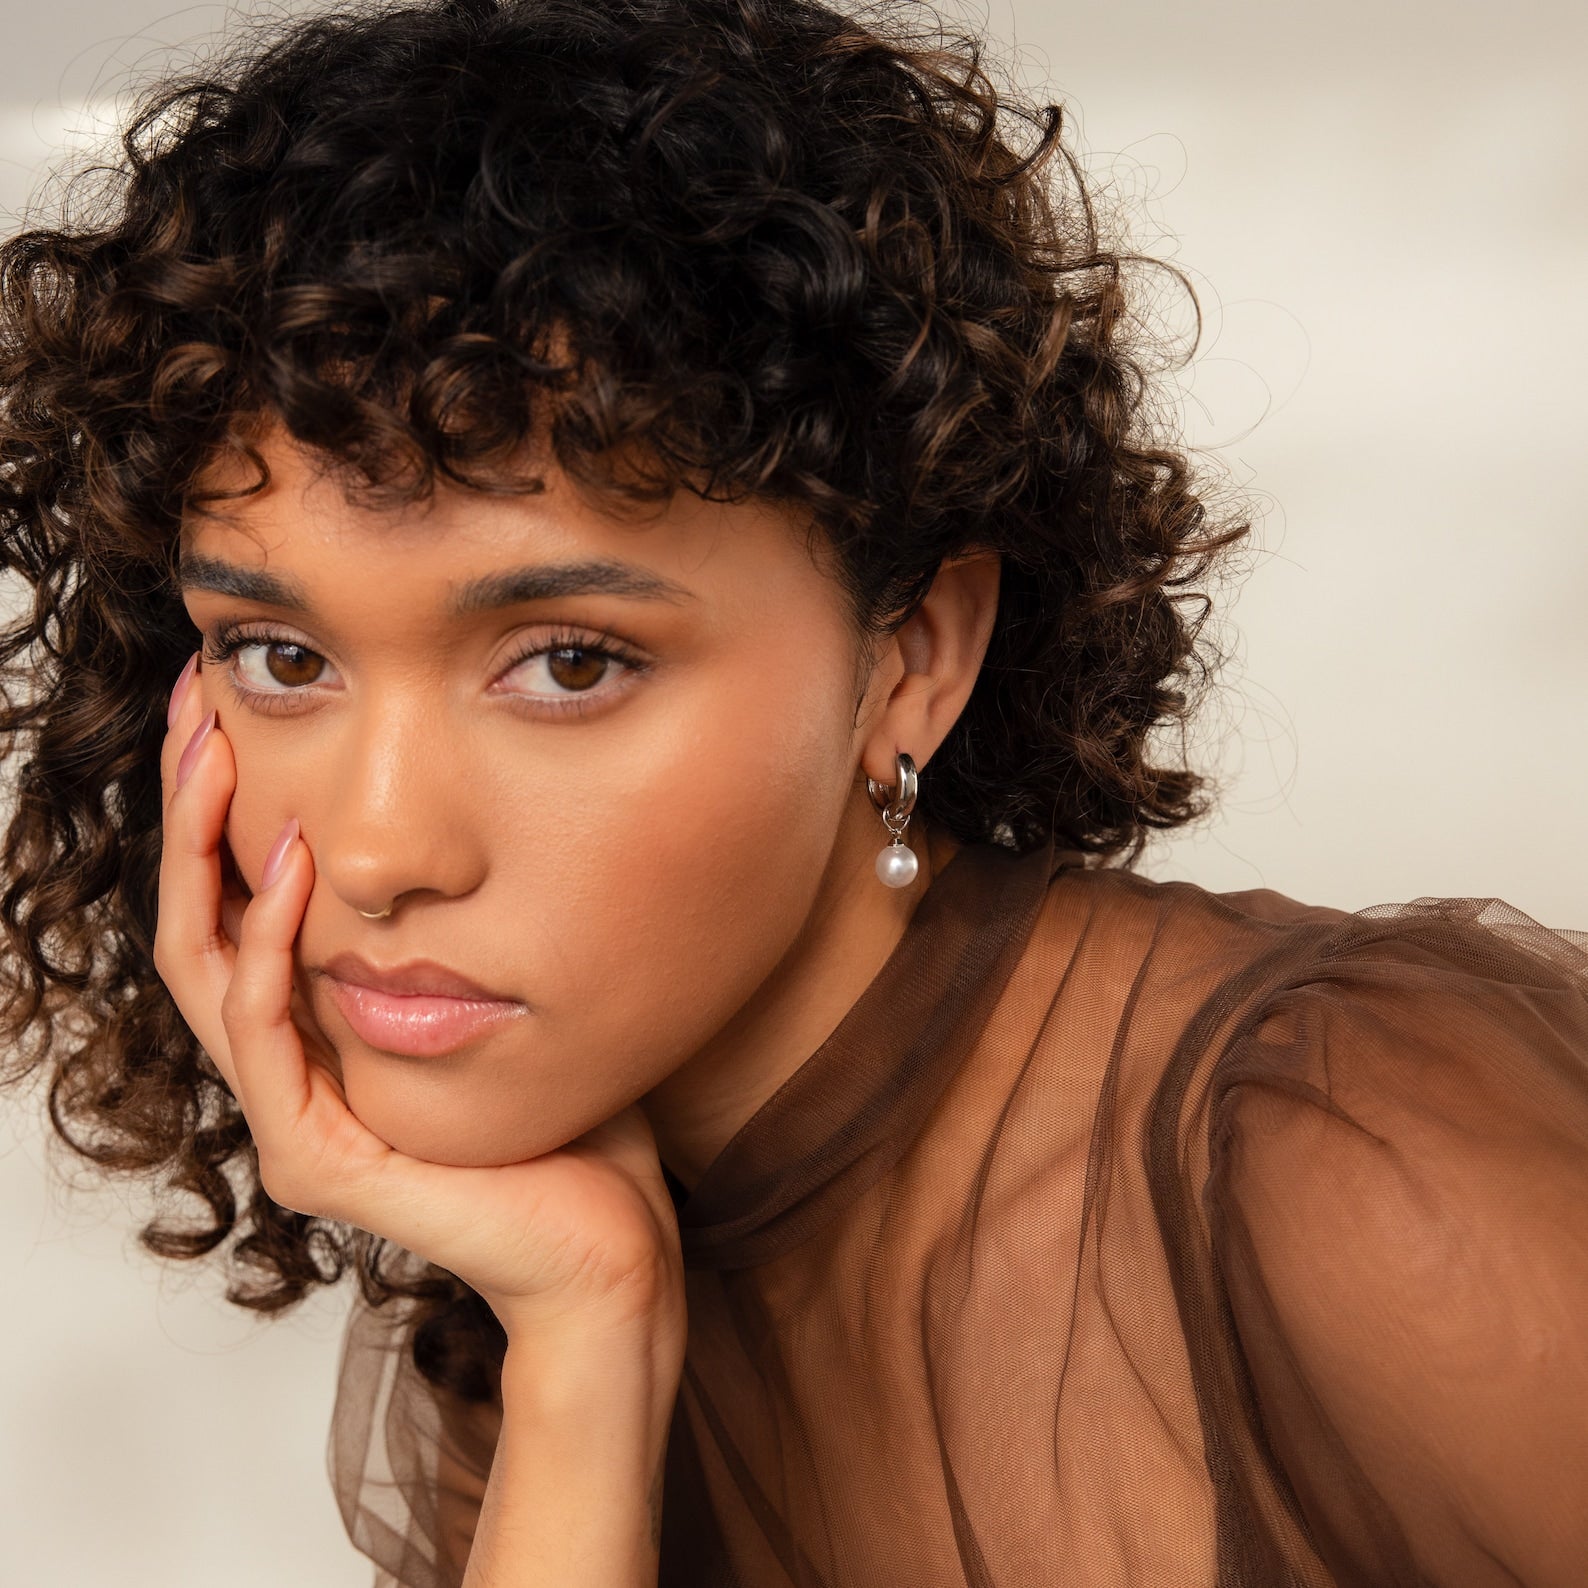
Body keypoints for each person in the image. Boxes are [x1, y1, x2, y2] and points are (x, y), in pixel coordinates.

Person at [1, 0, 1584, 1583]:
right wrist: (584, 1348)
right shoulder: (545, 1289)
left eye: (566, 662)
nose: (373, 847)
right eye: (281, 660)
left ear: (911, 658)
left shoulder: (1341, 1172)